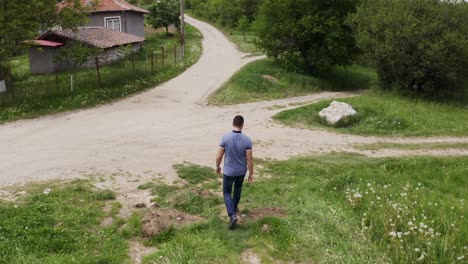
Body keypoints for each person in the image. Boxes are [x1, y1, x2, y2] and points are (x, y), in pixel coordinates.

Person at [216, 115, 254, 230]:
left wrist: (217, 166)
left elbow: (219, 155)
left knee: (227, 192)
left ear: (233, 123)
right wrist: (251, 173)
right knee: (237, 189)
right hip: (241, 171)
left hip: (228, 172)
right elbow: (249, 159)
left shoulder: (225, 138)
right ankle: (235, 209)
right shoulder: (247, 140)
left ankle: (232, 215)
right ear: (242, 125)